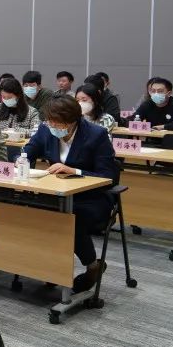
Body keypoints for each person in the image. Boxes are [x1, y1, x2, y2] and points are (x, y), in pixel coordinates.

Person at [22, 95, 117, 293]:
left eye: (57, 122)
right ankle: (52, 267)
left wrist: (74, 171)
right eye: (49, 121)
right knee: (30, 211)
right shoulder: (46, 129)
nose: (52, 125)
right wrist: (20, 161)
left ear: (73, 120)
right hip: (57, 193)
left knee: (69, 217)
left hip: (91, 197)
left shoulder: (96, 135)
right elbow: (27, 152)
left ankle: (92, 265)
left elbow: (108, 175)